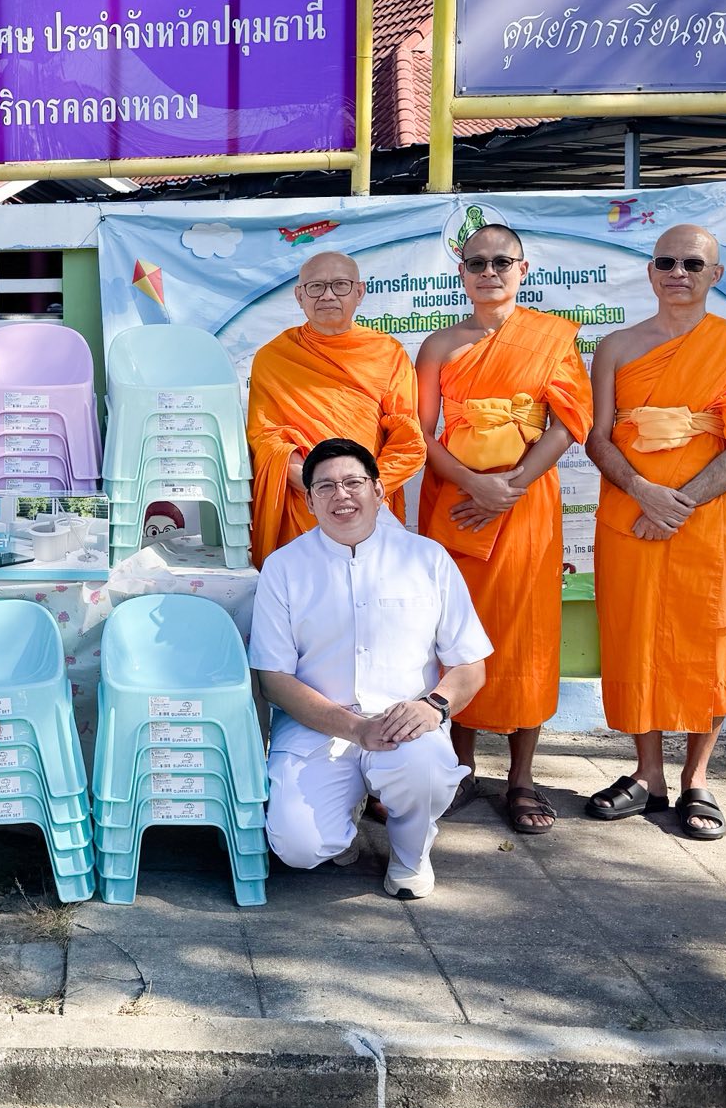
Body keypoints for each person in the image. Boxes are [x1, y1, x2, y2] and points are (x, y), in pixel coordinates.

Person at [583, 225, 726, 841]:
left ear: (713, 275)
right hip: (629, 516)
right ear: (650, 272)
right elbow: (597, 436)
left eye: (692, 263)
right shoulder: (615, 347)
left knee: (709, 641)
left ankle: (697, 778)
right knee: (634, 638)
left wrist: (679, 503)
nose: (679, 272)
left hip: (707, 520)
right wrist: (643, 491)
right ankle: (648, 775)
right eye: (666, 261)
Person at [251, 438, 491, 901]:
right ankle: (346, 810)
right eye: (325, 486)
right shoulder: (284, 568)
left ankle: (409, 856)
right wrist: (356, 729)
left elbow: (470, 664)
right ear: (309, 499)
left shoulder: (427, 559)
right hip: (319, 725)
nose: (341, 495)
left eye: (353, 482)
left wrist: (434, 707)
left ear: (379, 491)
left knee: (424, 768)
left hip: (404, 720)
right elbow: (274, 680)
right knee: (298, 847)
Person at [414, 225, 592, 834]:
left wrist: (506, 489)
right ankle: (460, 765)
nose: (488, 272)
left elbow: (569, 425)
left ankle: (521, 777)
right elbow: (420, 435)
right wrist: (473, 485)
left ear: (523, 268)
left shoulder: (552, 337)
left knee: (525, 631)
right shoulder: (438, 346)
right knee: (454, 631)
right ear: (460, 272)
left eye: (501, 262)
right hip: (455, 501)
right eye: (476, 263)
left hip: (525, 503)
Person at [247, 250, 425, 565]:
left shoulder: (387, 354)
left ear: (359, 292)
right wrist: (315, 485)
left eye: (340, 285)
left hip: (370, 499)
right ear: (299, 296)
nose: (328, 295)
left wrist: (364, 488)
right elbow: (265, 436)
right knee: (304, 597)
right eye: (316, 287)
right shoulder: (274, 357)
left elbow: (407, 437)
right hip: (303, 499)